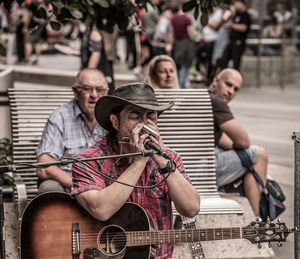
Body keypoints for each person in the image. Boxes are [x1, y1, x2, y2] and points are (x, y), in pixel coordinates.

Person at [71, 82, 200, 258]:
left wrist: (163, 162)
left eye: (151, 117)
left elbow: (191, 209)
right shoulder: (88, 161)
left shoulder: (168, 158)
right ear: (116, 122)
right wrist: (139, 163)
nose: (145, 124)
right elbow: (101, 209)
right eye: (135, 115)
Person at [36, 68, 109, 193]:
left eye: (99, 89)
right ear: (75, 92)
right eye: (87, 89)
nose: (94, 95)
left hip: (106, 188)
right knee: (49, 189)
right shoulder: (60, 117)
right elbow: (44, 165)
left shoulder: (113, 119)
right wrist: (80, 186)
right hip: (69, 186)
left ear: (106, 92)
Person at [209, 68, 268, 216]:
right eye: (228, 84)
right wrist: (247, 149)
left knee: (251, 154)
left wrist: (245, 149)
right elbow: (243, 141)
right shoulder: (217, 101)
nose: (231, 92)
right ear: (216, 81)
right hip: (202, 171)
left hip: (185, 166)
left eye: (235, 89)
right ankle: (256, 220)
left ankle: (254, 219)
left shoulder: (202, 96)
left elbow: (221, 139)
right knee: (259, 155)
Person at [220, 0, 251, 71]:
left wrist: (232, 25)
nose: (235, 5)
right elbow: (224, 19)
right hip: (231, 41)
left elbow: (244, 27)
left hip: (239, 41)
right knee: (224, 59)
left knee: (236, 62)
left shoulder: (245, 14)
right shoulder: (236, 14)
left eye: (237, 3)